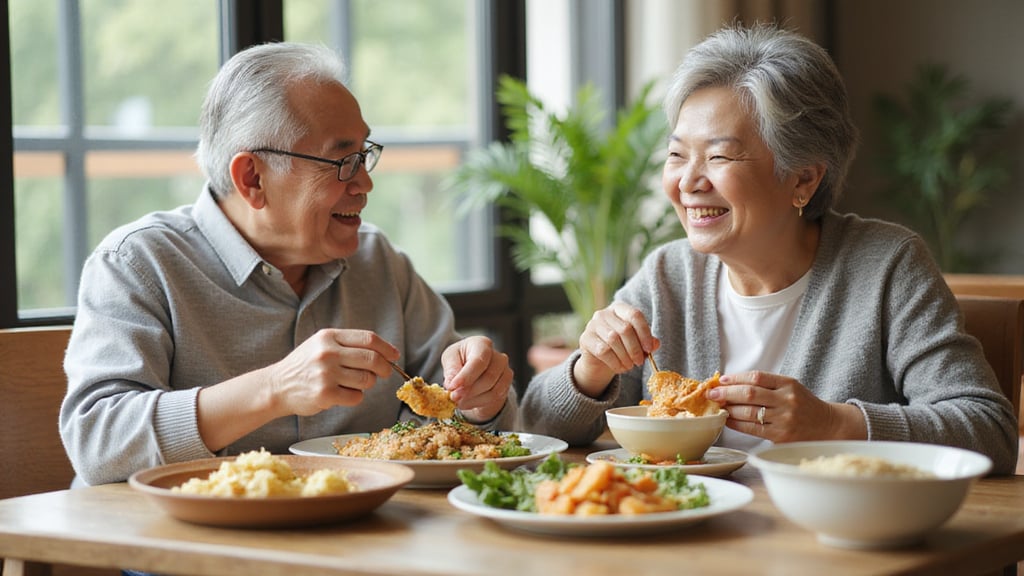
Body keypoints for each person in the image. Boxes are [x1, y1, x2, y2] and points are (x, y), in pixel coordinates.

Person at [519, 23, 1018, 474]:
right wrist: (591, 370)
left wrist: (835, 423)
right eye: (677, 155)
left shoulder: (886, 266)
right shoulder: (670, 274)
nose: (688, 182)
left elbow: (989, 431)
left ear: (802, 178)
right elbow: (537, 426)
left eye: (718, 156)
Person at [59, 42, 518, 487]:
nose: (364, 183)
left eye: (364, 155)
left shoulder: (378, 261)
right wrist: (275, 388)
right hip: (184, 544)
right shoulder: (139, 263)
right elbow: (97, 441)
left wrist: (479, 397)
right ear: (252, 178)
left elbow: (465, 426)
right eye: (341, 160)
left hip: (359, 536)